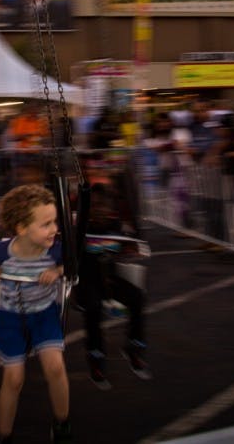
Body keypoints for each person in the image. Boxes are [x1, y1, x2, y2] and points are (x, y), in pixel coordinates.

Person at [0, 184, 72, 443]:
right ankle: (4, 435)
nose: (54, 229)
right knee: (14, 378)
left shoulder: (54, 249)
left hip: (44, 314)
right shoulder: (3, 250)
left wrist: (58, 272)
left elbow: (72, 260)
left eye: (54, 221)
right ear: (21, 228)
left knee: (55, 367)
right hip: (10, 318)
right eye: (46, 224)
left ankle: (62, 422)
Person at [77, 158, 150, 390]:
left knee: (137, 297)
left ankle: (133, 347)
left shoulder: (114, 225)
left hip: (110, 278)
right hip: (87, 280)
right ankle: (96, 358)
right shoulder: (80, 228)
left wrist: (131, 250)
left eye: (105, 206)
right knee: (94, 308)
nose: (101, 210)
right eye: (96, 206)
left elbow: (127, 248)